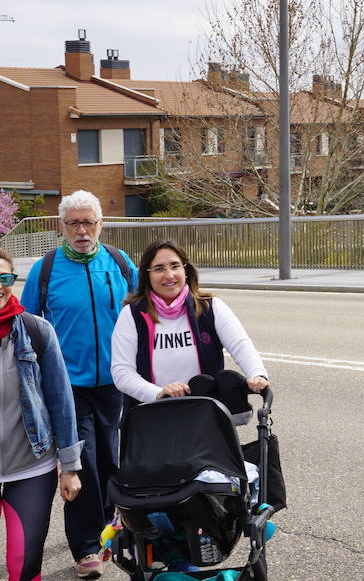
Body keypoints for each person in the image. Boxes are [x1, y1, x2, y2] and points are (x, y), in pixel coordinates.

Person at [21, 190, 138, 579]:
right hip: (68, 386)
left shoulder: (119, 264)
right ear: (62, 226)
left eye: (89, 221)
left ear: (100, 223)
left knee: (112, 459)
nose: (82, 230)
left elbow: (146, 312)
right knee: (81, 462)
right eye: (74, 223)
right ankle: (86, 545)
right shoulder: (47, 268)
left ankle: (108, 525)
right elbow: (28, 328)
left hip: (118, 382)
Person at [0, 249, 83, 581]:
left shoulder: (37, 330)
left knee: (24, 564)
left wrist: (71, 467)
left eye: (4, 278)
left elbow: (61, 400)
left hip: (30, 467)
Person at [110, 239, 269, 406]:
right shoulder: (132, 314)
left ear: (185, 270)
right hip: (152, 416)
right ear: (147, 275)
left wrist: (257, 373)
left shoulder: (210, 307)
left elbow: (241, 345)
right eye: (159, 268)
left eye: (175, 266)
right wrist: (158, 393)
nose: (169, 275)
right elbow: (122, 372)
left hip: (205, 414)